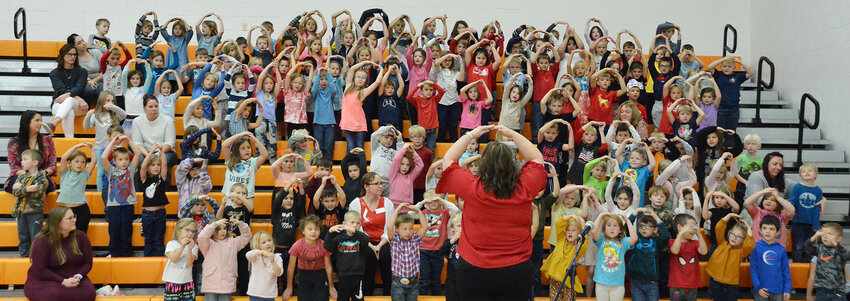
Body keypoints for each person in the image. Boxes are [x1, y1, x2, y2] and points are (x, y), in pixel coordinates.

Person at [436, 125, 547, 300]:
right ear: (512, 164)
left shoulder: (471, 187)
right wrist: (512, 134)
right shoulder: (524, 187)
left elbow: (448, 159)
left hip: (473, 269)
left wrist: (471, 134)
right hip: (516, 270)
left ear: (483, 164)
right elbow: (536, 158)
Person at [24, 207, 96, 301]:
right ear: (57, 222)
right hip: (46, 279)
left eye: (74, 217)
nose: (74, 220)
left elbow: (88, 263)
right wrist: (63, 281)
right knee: (53, 296)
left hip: (73, 277)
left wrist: (79, 276)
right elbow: (40, 270)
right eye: (70, 218)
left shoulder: (81, 237)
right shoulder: (42, 241)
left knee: (89, 294)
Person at [349, 172, 395, 296]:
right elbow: (357, 229)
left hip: (383, 240)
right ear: (366, 186)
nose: (380, 186)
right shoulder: (356, 203)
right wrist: (371, 246)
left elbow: (389, 229)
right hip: (364, 241)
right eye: (376, 184)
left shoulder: (387, 203)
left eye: (381, 184)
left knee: (386, 254)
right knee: (369, 256)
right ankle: (367, 294)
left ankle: (388, 295)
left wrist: (379, 246)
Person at [131, 95, 180, 184]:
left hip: (164, 151)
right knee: (140, 161)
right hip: (145, 151)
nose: (154, 109)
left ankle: (164, 192)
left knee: (164, 161)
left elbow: (170, 143)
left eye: (156, 106)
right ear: (144, 108)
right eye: (150, 107)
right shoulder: (137, 121)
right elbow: (137, 143)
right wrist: (148, 155)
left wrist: (157, 154)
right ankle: (140, 192)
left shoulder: (167, 120)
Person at [706, 213, 754, 301]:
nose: (734, 238)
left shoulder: (741, 251)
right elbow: (719, 227)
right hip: (716, 281)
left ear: (743, 240)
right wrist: (729, 215)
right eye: (733, 234)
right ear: (729, 233)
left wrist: (748, 228)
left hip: (731, 285)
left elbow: (749, 245)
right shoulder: (722, 242)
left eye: (739, 237)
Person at [46, 44, 91, 137]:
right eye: (69, 54)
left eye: (74, 55)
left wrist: (73, 97)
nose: (73, 57)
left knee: (69, 100)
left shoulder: (82, 71)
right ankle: (69, 140)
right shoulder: (54, 73)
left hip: (80, 106)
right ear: (63, 55)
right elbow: (61, 90)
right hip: (59, 103)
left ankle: (54, 123)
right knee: (69, 110)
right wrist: (78, 98)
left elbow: (80, 87)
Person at [325, 211, 370, 301]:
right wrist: (330, 232)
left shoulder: (360, 239)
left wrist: (352, 230)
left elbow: (366, 239)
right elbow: (327, 246)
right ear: (344, 224)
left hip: (358, 275)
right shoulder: (338, 239)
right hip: (342, 275)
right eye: (352, 222)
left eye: (358, 223)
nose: (355, 225)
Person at [11, 149, 48, 257]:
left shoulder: (41, 177)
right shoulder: (22, 176)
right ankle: (23, 258)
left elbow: (37, 193)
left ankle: (37, 259)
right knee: (23, 237)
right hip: (21, 211)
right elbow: (15, 192)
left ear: (35, 162)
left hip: (34, 212)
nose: (21, 162)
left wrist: (21, 188)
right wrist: (27, 188)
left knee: (36, 237)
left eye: (25, 159)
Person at [749, 215, 791, 301]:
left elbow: (786, 271)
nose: (767, 231)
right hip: (761, 290)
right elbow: (753, 269)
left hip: (778, 290)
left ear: (778, 232)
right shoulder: (756, 247)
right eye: (764, 228)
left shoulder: (781, 249)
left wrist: (787, 289)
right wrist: (758, 287)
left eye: (771, 229)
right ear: (760, 230)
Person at [789, 164, 826, 262]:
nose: (807, 172)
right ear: (800, 175)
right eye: (804, 171)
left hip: (811, 225)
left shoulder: (818, 190)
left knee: (809, 248)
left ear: (816, 175)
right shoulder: (797, 187)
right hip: (798, 223)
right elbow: (791, 201)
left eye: (810, 170)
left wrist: (816, 224)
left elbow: (817, 207)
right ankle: (797, 267)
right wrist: (789, 209)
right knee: (798, 246)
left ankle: (807, 269)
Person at [805, 223, 850, 301]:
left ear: (839, 239)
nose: (825, 236)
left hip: (838, 292)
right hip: (821, 291)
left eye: (830, 234)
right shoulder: (819, 249)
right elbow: (807, 248)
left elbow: (847, 256)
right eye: (823, 234)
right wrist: (814, 237)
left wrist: (835, 244)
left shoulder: (840, 251)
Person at [162, 218, 199, 301]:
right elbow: (174, 259)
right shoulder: (171, 244)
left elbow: (189, 263)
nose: (190, 233)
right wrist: (182, 246)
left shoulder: (194, 247)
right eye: (187, 230)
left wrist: (189, 249)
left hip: (187, 281)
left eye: (193, 231)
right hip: (172, 281)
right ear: (179, 230)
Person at [67, 34, 104, 105]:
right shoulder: (73, 58)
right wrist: (88, 81)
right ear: (74, 47)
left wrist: (93, 81)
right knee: (87, 90)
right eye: (79, 43)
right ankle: (86, 111)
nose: (83, 43)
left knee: (101, 90)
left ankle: (101, 113)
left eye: (83, 40)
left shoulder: (96, 52)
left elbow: (105, 71)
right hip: (82, 82)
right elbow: (74, 74)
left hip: (99, 80)